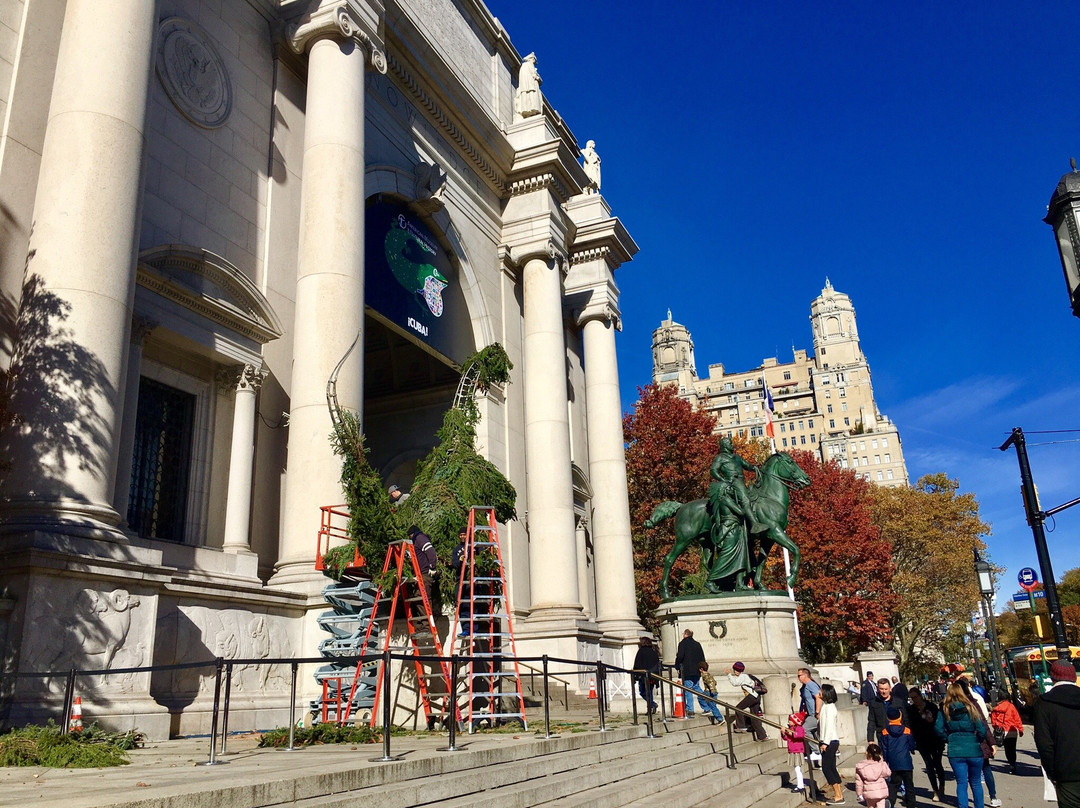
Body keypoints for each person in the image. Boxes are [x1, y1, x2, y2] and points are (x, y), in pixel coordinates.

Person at [935, 681, 993, 808]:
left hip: (955, 748)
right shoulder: (970, 707)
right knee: (976, 782)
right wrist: (977, 738)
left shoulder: (945, 709)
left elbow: (938, 728)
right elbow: (982, 728)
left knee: (961, 783)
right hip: (973, 747)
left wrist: (948, 738)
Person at [1033, 660, 1080, 808]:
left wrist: (1052, 772)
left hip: (1066, 772)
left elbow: (1044, 743)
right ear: (1074, 677)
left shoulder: (1044, 703)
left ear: (1052, 678)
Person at [956, 676, 1000, 808]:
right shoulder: (974, 700)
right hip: (977, 741)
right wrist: (991, 742)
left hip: (960, 745)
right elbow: (983, 722)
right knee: (984, 771)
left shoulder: (949, 706)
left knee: (963, 781)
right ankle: (992, 797)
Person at [909, 688, 947, 802]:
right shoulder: (910, 710)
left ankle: (942, 785)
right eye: (912, 698)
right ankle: (935, 790)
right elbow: (911, 726)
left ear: (920, 696)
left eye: (915, 697)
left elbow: (938, 721)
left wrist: (930, 718)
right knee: (929, 765)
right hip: (921, 741)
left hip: (935, 739)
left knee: (937, 763)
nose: (914, 700)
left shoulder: (931, 706)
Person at [880, 705, 916, 808]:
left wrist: (886, 760)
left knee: (893, 785)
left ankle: (890, 802)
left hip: (893, 763)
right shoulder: (906, 730)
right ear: (900, 717)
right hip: (906, 763)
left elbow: (885, 748)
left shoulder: (885, 731)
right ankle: (911, 804)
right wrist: (912, 749)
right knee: (909, 785)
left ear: (888, 718)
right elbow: (911, 744)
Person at [818, 683, 845, 805]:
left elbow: (828, 727)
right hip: (829, 741)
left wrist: (825, 742)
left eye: (821, 690)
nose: (819, 692)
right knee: (831, 767)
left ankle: (838, 795)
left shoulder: (830, 708)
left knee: (827, 768)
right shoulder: (826, 706)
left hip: (830, 741)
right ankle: (839, 793)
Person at [728, 661, 768, 741]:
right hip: (757, 696)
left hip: (751, 696)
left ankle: (741, 727)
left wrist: (729, 675)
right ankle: (763, 736)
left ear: (736, 670)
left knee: (738, 708)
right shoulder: (747, 676)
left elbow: (735, 683)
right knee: (754, 716)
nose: (734, 672)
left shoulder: (742, 676)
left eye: (735, 670)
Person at [675, 629, 707, 718]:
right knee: (696, 687)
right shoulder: (697, 644)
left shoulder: (682, 644)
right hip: (697, 670)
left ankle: (690, 709)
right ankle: (707, 707)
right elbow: (702, 657)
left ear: (685, 634)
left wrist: (677, 666)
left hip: (687, 670)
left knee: (688, 689)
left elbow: (680, 656)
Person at [989, 694, 1023, 775]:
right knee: (1012, 748)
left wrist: (996, 727)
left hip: (1002, 731)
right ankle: (1013, 764)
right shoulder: (1011, 706)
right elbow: (1017, 718)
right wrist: (1020, 729)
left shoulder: (996, 708)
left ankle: (1010, 763)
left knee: (1007, 749)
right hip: (1012, 730)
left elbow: (993, 721)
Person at [868, 676, 909, 742]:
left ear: (890, 689)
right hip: (882, 737)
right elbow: (871, 721)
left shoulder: (898, 702)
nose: (884, 691)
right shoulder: (874, 703)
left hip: (898, 736)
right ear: (878, 689)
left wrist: (908, 735)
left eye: (886, 689)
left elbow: (905, 719)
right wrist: (870, 739)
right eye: (881, 689)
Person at [855, 743, 892, 808]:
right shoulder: (880, 764)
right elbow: (888, 773)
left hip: (869, 793)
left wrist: (859, 794)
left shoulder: (861, 767)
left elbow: (859, 782)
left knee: (870, 806)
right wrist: (881, 760)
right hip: (881, 791)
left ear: (866, 753)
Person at [407, 524, 437, 602]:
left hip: (424, 573)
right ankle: (427, 614)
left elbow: (431, 552)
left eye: (409, 536)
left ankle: (429, 615)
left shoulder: (420, 538)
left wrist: (432, 567)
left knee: (424, 599)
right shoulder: (417, 540)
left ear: (411, 534)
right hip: (420, 573)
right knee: (420, 599)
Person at [632, 636, 661, 714]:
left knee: (643, 692)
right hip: (653, 675)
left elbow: (637, 664)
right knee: (649, 691)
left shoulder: (641, 651)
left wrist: (634, 676)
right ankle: (651, 705)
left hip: (644, 675)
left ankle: (652, 705)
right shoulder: (654, 651)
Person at [782, 712, 808, 793]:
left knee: (797, 769)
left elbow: (799, 735)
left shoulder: (799, 728)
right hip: (792, 750)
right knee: (796, 768)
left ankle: (800, 785)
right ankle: (800, 785)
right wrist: (783, 732)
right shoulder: (791, 728)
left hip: (797, 750)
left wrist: (789, 732)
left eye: (790, 720)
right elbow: (786, 738)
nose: (789, 721)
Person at [514, 52, 542, 118]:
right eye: (534, 60)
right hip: (528, 85)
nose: (534, 62)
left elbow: (538, 78)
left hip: (533, 86)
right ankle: (528, 110)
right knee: (529, 96)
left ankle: (533, 109)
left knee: (533, 97)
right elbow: (524, 76)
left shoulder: (532, 67)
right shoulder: (525, 65)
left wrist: (537, 78)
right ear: (530, 59)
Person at [798, 667, 823, 740]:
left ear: (805, 675)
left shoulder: (810, 685)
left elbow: (818, 697)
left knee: (805, 730)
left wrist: (817, 711)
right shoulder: (805, 686)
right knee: (816, 734)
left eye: (799, 676)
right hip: (810, 713)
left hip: (814, 714)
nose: (798, 678)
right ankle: (820, 749)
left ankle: (816, 751)